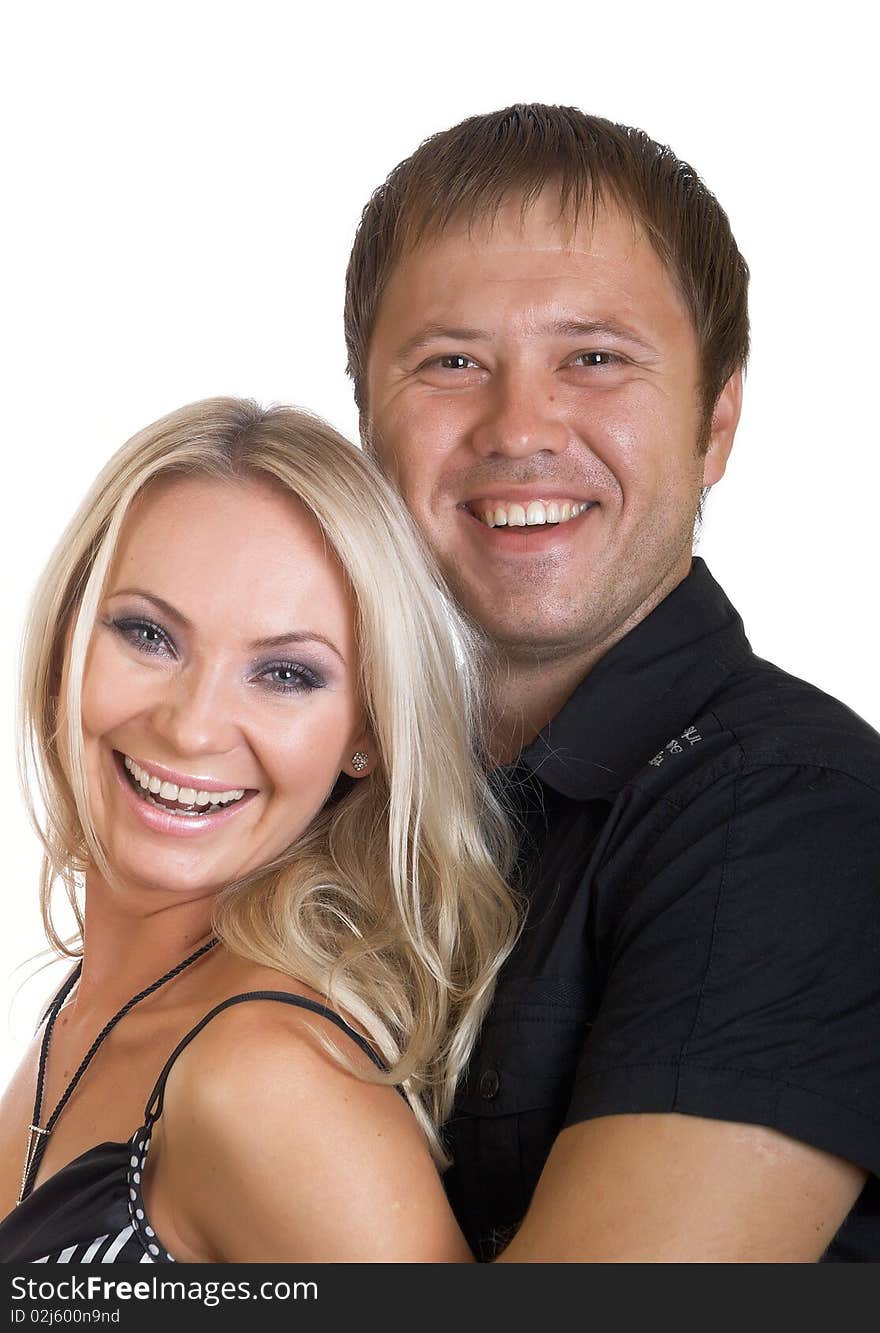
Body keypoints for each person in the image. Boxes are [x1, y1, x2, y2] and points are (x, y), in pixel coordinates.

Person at [345, 103, 880, 1262]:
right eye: (451, 362)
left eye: (593, 358)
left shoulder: (796, 819)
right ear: (365, 425)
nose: (519, 426)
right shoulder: (321, 790)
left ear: (715, 422)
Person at [0, 398, 519, 1263]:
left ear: (366, 733)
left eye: (285, 672)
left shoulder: (269, 1081)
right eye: (147, 634)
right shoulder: (86, 1010)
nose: (193, 725)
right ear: (64, 644)